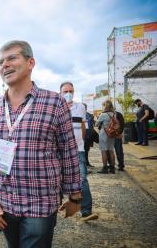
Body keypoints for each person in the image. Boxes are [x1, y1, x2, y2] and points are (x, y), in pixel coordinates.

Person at [0, 40, 82, 248]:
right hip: (5, 203)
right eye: (0, 62)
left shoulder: (54, 103)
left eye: (11, 58)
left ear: (30, 63)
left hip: (40, 204)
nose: (5, 65)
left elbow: (69, 153)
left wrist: (75, 197)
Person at [60, 82, 98, 222]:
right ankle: (51, 211)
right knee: (56, 179)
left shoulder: (80, 107)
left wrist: (80, 142)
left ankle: (86, 212)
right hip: (61, 151)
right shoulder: (56, 108)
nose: (68, 93)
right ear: (60, 93)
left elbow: (83, 126)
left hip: (78, 150)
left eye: (70, 91)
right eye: (65, 91)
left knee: (82, 179)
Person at [95, 100, 116, 174]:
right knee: (111, 150)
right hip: (112, 133)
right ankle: (112, 168)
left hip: (104, 133)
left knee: (103, 150)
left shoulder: (103, 114)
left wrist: (97, 118)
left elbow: (96, 124)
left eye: (103, 105)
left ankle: (104, 168)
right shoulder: (114, 114)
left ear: (105, 106)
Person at [82, 103, 95, 167]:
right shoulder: (78, 115)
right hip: (81, 136)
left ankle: (86, 162)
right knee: (82, 151)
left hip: (88, 136)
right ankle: (84, 164)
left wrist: (91, 138)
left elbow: (91, 127)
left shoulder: (89, 115)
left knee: (86, 150)